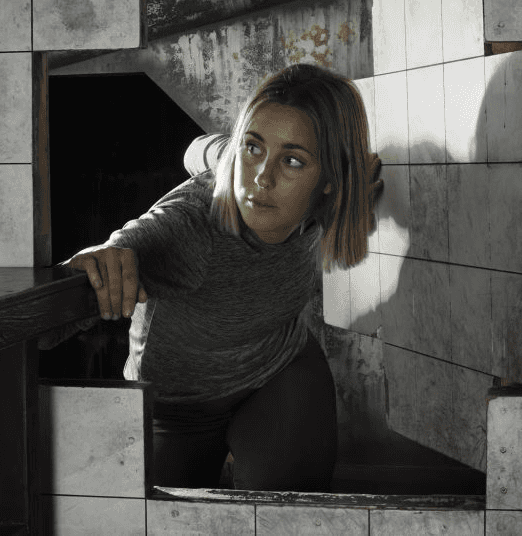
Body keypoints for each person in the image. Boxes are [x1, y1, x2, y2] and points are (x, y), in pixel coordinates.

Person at [61, 63, 383, 491]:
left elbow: (203, 150)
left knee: (283, 522)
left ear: (330, 179)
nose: (261, 178)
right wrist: (82, 268)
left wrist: (211, 151)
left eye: (291, 160)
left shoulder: (322, 201)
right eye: (252, 148)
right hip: (176, 406)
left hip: (279, 369)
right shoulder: (188, 231)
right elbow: (74, 292)